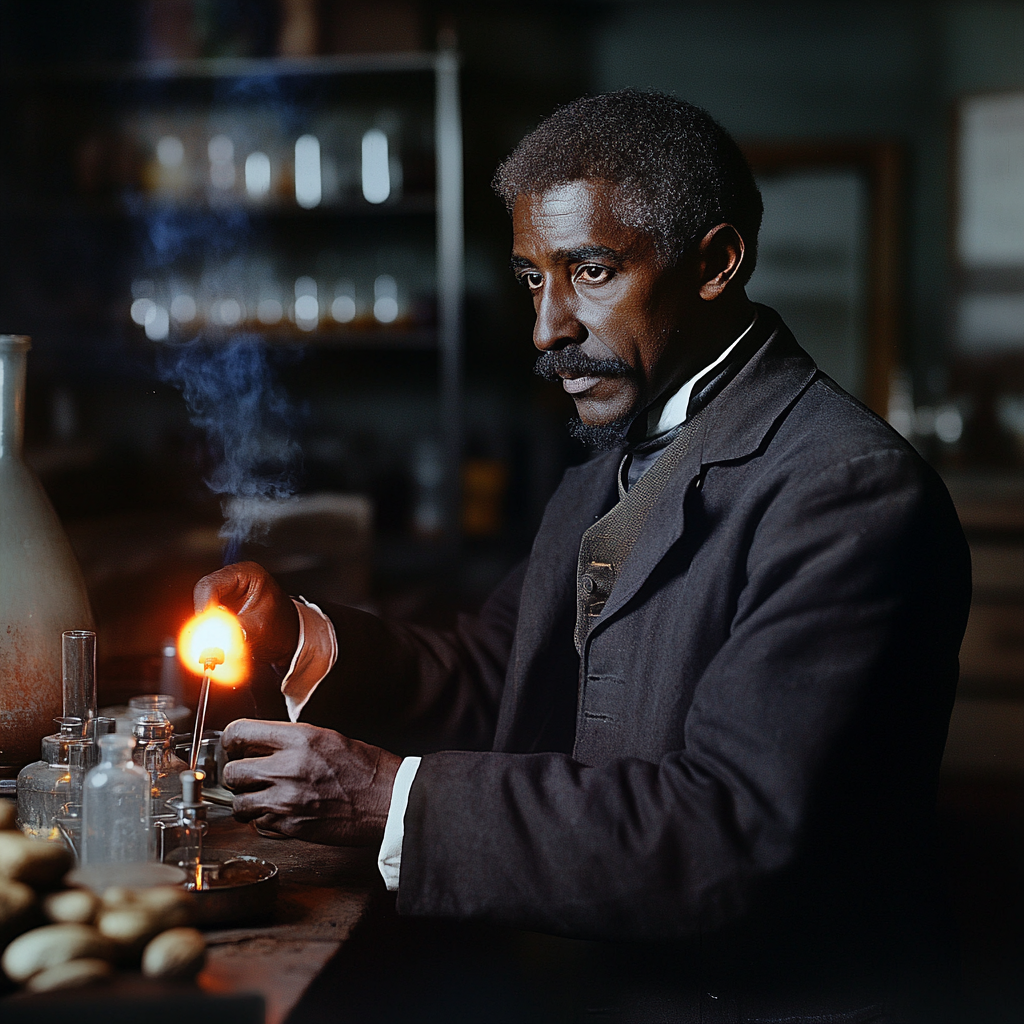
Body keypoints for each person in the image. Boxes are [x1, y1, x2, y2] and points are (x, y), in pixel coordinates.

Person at [195, 91, 971, 1022]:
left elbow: (731, 829)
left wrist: (392, 800)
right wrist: (300, 643)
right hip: (598, 974)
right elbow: (501, 679)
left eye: (591, 271)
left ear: (716, 263)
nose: (547, 328)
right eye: (533, 278)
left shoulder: (845, 493)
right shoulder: (615, 458)